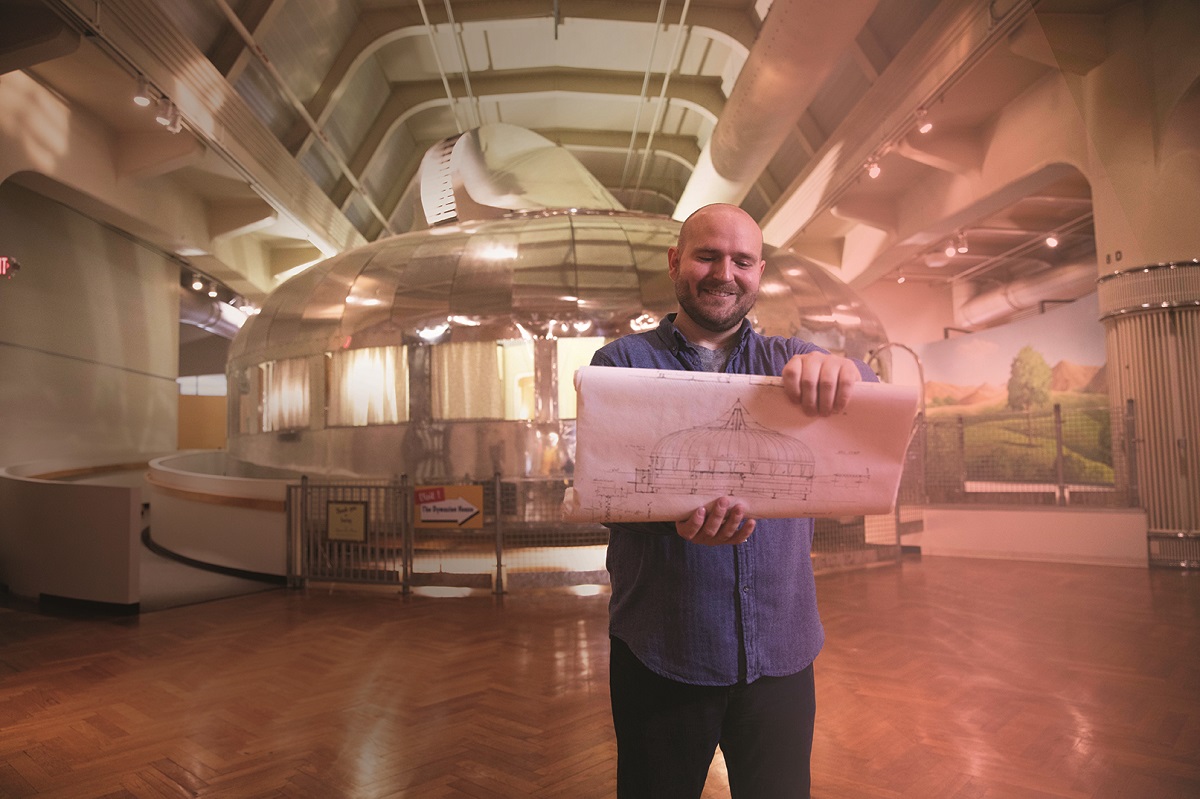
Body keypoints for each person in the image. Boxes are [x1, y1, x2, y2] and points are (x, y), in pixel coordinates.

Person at [589, 203, 877, 799]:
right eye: (708, 256)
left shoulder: (790, 362)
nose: (725, 273)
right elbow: (606, 495)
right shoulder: (621, 363)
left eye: (742, 261)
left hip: (781, 653)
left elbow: (871, 403)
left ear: (759, 272)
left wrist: (843, 370)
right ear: (676, 262)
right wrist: (672, 523)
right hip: (664, 649)